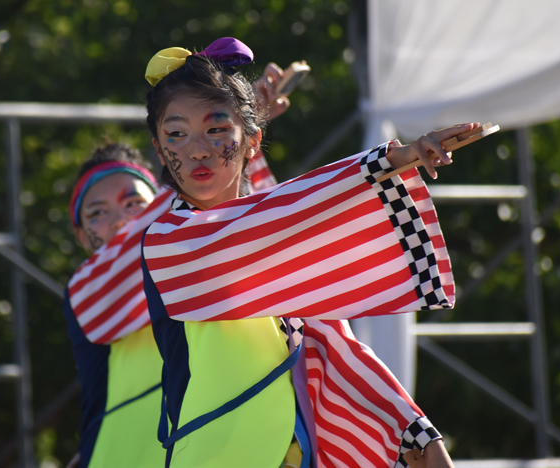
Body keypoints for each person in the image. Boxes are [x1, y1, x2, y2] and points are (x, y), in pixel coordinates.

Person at [140, 37, 471, 468]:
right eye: (176, 134)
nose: (197, 149)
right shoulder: (170, 243)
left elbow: (337, 346)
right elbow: (262, 226)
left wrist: (418, 434)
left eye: (217, 128)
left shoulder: (276, 245)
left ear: (252, 142)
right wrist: (389, 162)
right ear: (159, 148)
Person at [62, 59, 291, 467]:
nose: (120, 220)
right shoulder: (87, 291)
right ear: (81, 236)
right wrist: (219, 136)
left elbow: (248, 218)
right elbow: (161, 224)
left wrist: (240, 130)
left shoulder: (188, 243)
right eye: (97, 213)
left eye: (134, 203)